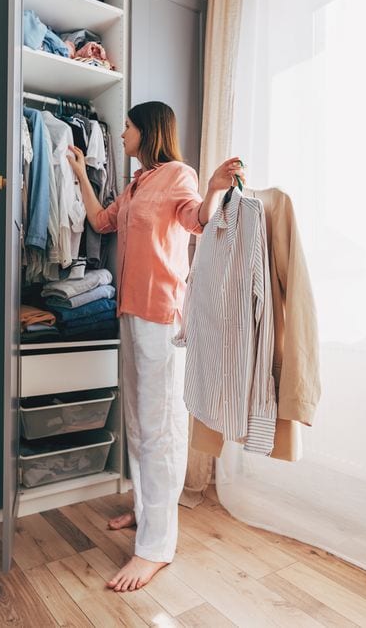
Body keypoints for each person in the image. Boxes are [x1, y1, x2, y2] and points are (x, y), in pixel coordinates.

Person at [67, 101, 244, 592]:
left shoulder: (178, 175)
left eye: (127, 127)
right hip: (130, 312)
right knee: (138, 423)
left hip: (161, 314)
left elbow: (197, 220)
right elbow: (101, 221)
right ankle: (147, 512)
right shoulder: (135, 184)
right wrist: (80, 173)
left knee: (161, 427)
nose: (122, 133)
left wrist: (214, 188)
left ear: (148, 130)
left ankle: (156, 548)